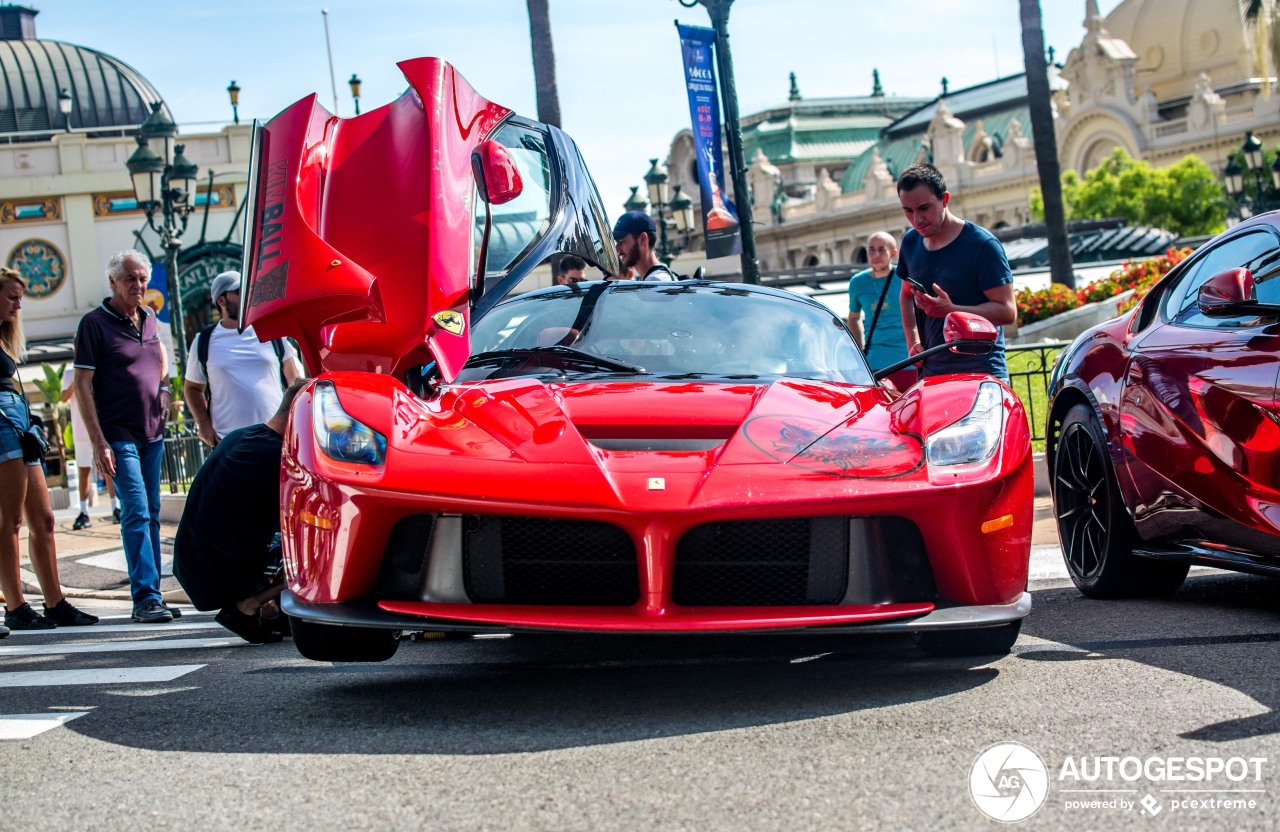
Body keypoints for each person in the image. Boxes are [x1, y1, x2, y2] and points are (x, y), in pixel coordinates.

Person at [73, 250, 178, 624]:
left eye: (142, 279)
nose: (138, 285)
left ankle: (155, 594)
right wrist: (98, 441)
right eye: (130, 279)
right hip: (117, 435)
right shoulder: (94, 324)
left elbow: (159, 365)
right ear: (113, 282)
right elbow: (82, 386)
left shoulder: (149, 319)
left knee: (150, 513)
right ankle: (145, 597)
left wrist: (165, 388)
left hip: (153, 433)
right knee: (134, 511)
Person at [0, 268, 99, 632]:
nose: (18, 304)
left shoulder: (4, 338)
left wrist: (33, 422)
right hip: (2, 429)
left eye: (19, 297)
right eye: (11, 296)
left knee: (44, 520)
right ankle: (15, 606)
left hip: (19, 425)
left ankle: (54, 602)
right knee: (8, 523)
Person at [173, 378, 309, 643]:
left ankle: (269, 607)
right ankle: (247, 605)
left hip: (196, 564)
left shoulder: (243, 436)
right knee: (314, 549)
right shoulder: (277, 459)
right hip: (215, 574)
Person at [895, 163, 1015, 380]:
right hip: (931, 374)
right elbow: (905, 295)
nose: (916, 219)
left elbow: (1007, 311)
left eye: (924, 208)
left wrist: (951, 310)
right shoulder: (910, 242)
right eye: (908, 211)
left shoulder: (983, 244)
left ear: (945, 200)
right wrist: (913, 341)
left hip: (982, 374)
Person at [183, 271, 301, 447]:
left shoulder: (272, 332)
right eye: (239, 291)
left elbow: (295, 382)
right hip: (228, 441)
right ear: (221, 301)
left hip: (275, 436)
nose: (247, 295)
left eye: (248, 289)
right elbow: (192, 388)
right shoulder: (204, 340)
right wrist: (203, 424)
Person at [847, 231, 915, 390]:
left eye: (881, 250)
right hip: (875, 363)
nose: (876, 255)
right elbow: (854, 317)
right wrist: (860, 350)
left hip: (908, 361)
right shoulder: (857, 282)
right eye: (871, 250)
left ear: (893, 253)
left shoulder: (905, 277)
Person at [61, 364, 119, 530]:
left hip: (101, 427)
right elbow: (63, 398)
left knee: (108, 467)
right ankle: (84, 512)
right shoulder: (69, 373)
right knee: (84, 471)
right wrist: (78, 380)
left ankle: (116, 507)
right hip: (80, 431)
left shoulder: (98, 368)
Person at [612, 211, 677, 281]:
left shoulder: (655, 281)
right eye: (616, 242)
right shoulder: (654, 280)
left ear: (643, 239)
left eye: (621, 242)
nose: (617, 250)